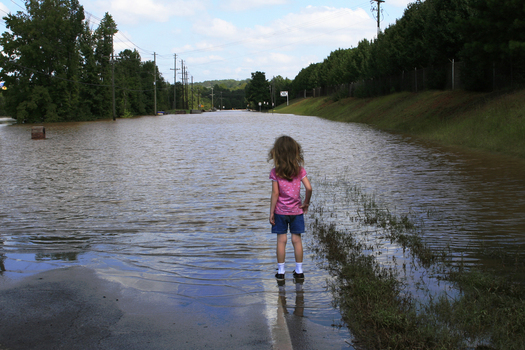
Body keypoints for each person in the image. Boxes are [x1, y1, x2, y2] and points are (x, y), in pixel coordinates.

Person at [268, 135, 312, 281]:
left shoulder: (276, 172)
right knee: (296, 240)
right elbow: (309, 188)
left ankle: (281, 272)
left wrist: (271, 212)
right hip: (297, 211)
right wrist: (306, 203)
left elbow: (275, 193)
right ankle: (299, 271)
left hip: (280, 212)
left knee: (281, 240)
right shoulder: (300, 171)